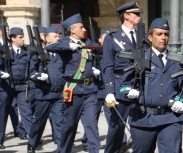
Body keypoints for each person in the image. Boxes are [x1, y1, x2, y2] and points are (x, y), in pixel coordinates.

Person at [127, 18, 183, 153]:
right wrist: (129, 91)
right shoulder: (139, 58)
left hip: (170, 118)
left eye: (166, 34)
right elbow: (124, 83)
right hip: (143, 118)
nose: (163, 37)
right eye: (159, 34)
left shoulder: (177, 60)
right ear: (150, 37)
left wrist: (182, 100)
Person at [45, 13, 101, 153]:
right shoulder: (64, 42)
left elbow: (101, 48)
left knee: (91, 125)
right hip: (74, 90)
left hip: (90, 90)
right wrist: (69, 47)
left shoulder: (87, 42)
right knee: (69, 125)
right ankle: (63, 150)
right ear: (73, 30)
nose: (84, 29)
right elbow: (49, 47)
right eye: (81, 27)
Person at [101, 1, 142, 152]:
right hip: (120, 87)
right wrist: (110, 91)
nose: (139, 16)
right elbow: (108, 65)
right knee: (116, 128)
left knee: (141, 128)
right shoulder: (112, 38)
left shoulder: (141, 37)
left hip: (139, 87)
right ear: (126, 16)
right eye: (136, 13)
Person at [27, 26, 65, 153]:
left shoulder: (61, 53)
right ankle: (32, 143)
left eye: (59, 36)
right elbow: (31, 72)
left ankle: (61, 148)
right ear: (47, 38)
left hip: (58, 93)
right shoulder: (38, 53)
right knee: (39, 122)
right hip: (43, 93)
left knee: (59, 121)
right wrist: (38, 76)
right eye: (55, 36)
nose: (58, 38)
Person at [0, 27, 34, 149]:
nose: (23, 39)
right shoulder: (4, 51)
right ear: (12, 39)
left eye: (23, 37)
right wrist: (0, 74)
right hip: (6, 87)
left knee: (27, 113)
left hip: (21, 87)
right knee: (3, 113)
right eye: (20, 37)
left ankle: (33, 140)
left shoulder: (27, 52)